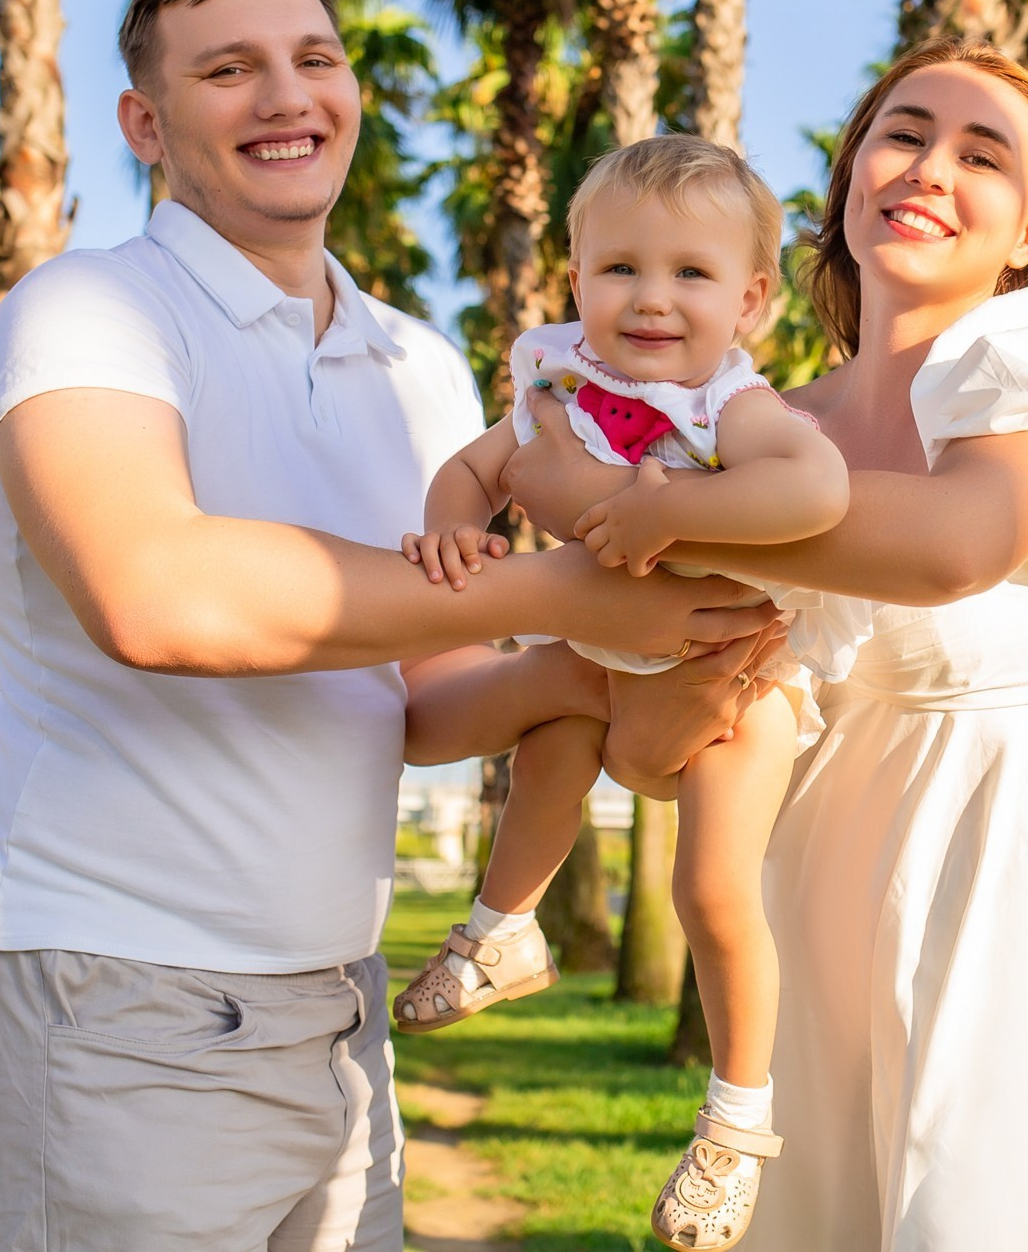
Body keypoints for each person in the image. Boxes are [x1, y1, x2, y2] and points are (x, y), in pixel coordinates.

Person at [0, 0, 782, 1252]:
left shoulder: (422, 368)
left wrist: (621, 668)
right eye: (229, 69)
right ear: (144, 121)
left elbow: (421, 704)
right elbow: (155, 593)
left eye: (314, 56)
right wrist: (565, 594)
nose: (285, 94)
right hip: (109, 1003)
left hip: (337, 1014)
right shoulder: (85, 312)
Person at [508, 40, 1028, 1250]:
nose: (928, 167)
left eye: (982, 153)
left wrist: (657, 517)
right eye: (903, 133)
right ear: (851, 175)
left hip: (1021, 865)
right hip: (811, 884)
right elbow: (654, 743)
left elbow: (958, 540)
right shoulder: (757, 428)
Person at [392, 135, 865, 1250]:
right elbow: (479, 467)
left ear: (750, 298)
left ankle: (735, 1122)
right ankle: (502, 929)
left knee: (711, 889)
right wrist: (458, 525)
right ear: (576, 278)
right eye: (620, 270)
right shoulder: (560, 381)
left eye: (692, 275)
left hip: (737, 681)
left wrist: (671, 513)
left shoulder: (731, 407)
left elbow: (816, 486)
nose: (652, 299)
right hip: (608, 661)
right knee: (547, 741)